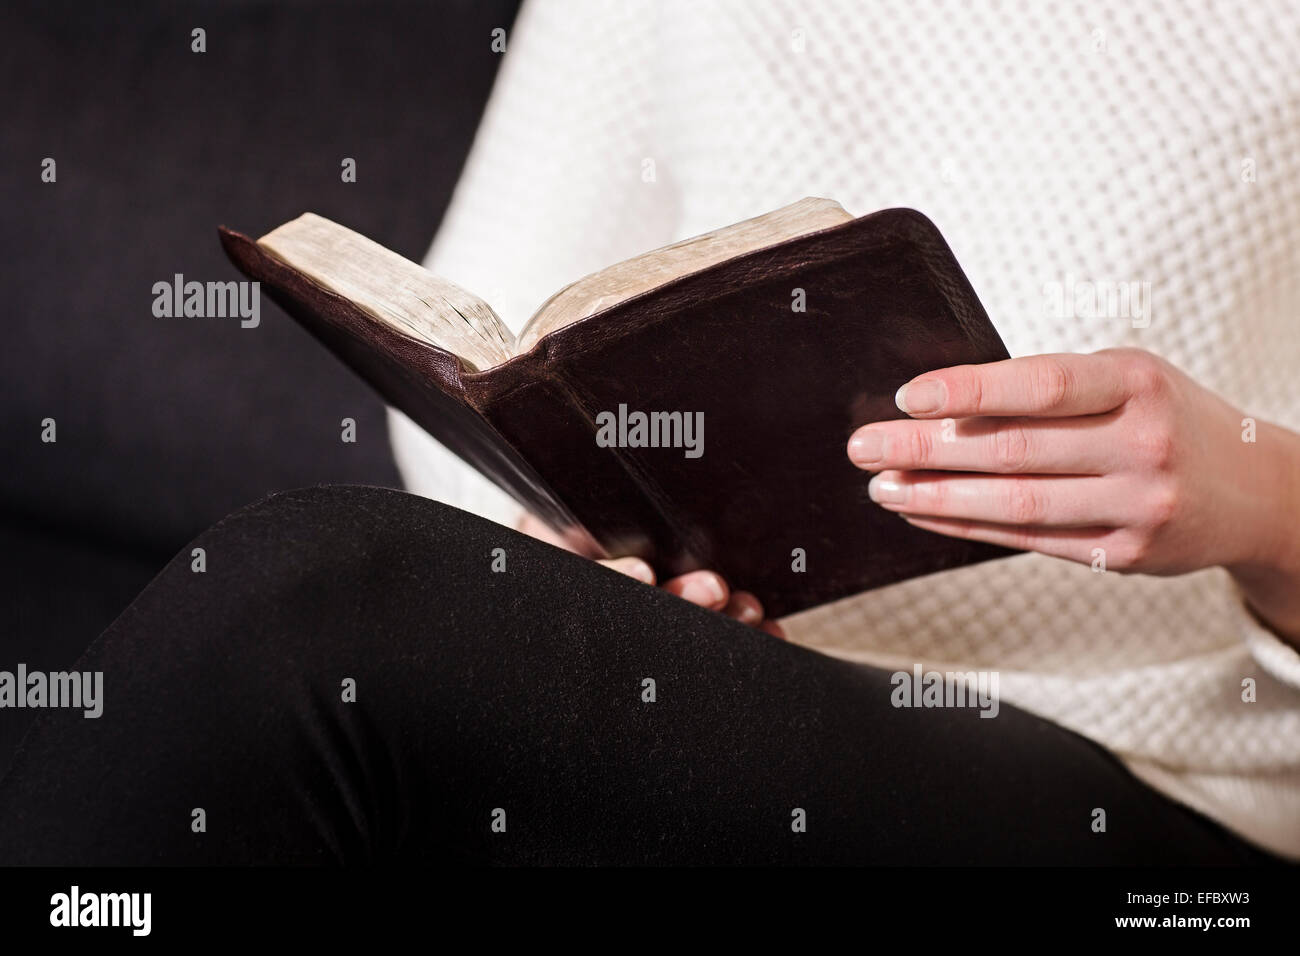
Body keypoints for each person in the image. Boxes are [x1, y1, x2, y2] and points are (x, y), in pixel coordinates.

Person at [2, 0, 1297, 864]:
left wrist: (1261, 500)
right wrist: (592, 557)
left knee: (315, 602)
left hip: (1166, 790)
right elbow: (498, 320)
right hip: (743, 688)